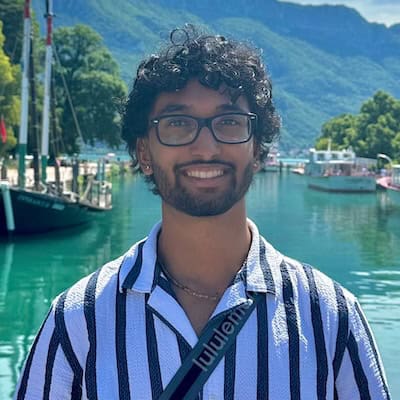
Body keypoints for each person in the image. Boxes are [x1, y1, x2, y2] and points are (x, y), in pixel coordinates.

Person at [14, 26, 390, 400]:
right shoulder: (78, 322)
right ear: (144, 153)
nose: (206, 148)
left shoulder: (330, 318)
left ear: (258, 150)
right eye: (178, 124)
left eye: (229, 122)